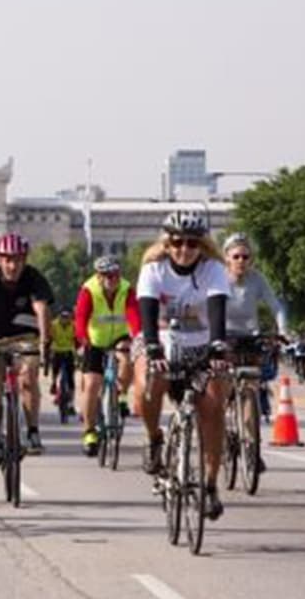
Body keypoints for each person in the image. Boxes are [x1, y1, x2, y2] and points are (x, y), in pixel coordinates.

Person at [135, 210, 230, 520]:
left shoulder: (214, 269)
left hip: (201, 345)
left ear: (201, 245)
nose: (184, 250)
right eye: (177, 243)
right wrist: (152, 348)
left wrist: (217, 347)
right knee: (148, 386)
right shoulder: (154, 270)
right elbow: (147, 314)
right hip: (161, 341)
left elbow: (217, 310)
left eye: (192, 243)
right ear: (167, 243)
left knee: (214, 406)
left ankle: (209, 484)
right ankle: (153, 439)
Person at [0, 232, 53, 474]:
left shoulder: (33, 278)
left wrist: (45, 341)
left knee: (28, 378)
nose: (12, 265)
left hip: (24, 338)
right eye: (7, 259)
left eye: (17, 260)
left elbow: (42, 309)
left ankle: (33, 431)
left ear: (24, 259)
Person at [222, 232, 290, 459]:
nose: (241, 261)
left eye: (246, 256)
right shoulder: (218, 279)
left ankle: (251, 445)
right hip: (224, 337)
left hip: (250, 336)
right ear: (227, 258)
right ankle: (221, 435)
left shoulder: (257, 279)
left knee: (251, 387)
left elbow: (276, 306)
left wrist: (282, 330)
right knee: (221, 389)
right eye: (236, 256)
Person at [74, 256, 142, 456]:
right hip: (94, 340)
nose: (112, 280)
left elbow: (133, 314)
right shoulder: (89, 290)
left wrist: (137, 336)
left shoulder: (126, 289)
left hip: (119, 336)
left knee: (126, 357)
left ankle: (120, 395)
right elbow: (80, 318)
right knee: (92, 385)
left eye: (115, 275)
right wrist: (82, 340)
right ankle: (89, 432)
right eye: (106, 276)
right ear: (99, 276)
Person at [49, 309, 76, 415]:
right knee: (55, 372)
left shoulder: (73, 325)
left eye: (67, 317)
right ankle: (54, 385)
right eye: (63, 317)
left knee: (70, 379)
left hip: (69, 351)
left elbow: (76, 339)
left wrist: (78, 352)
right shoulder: (54, 325)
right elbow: (50, 338)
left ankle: (71, 404)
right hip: (56, 351)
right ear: (59, 316)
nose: (65, 319)